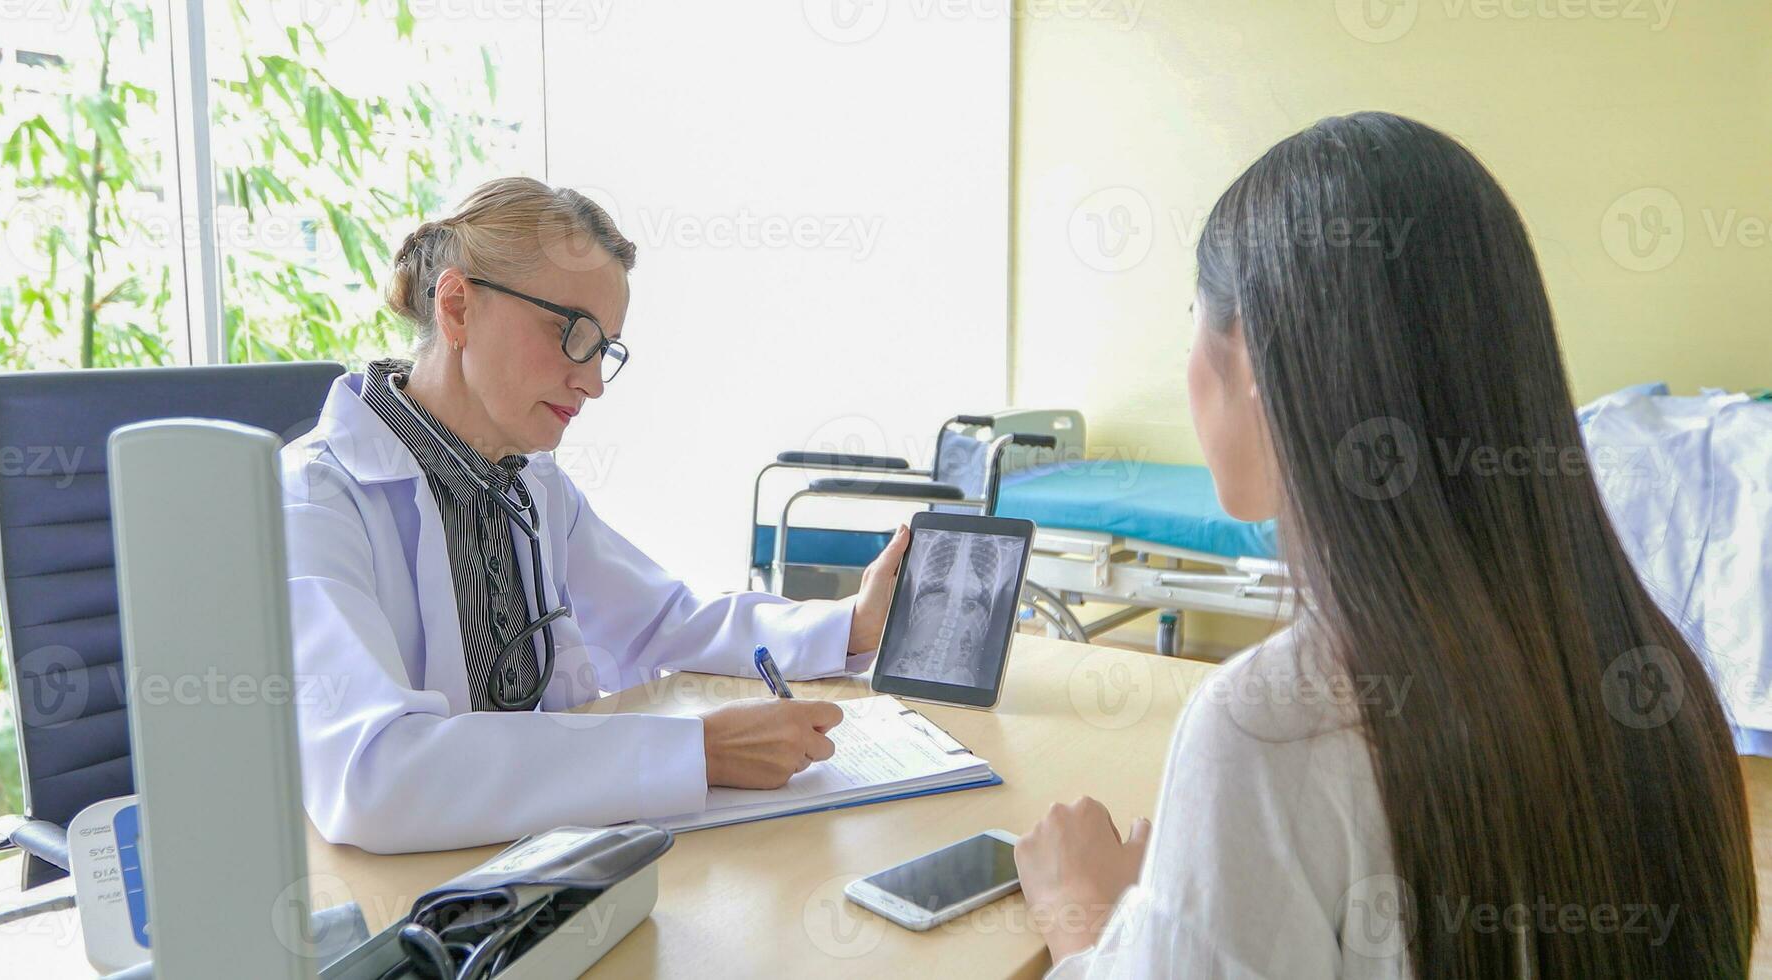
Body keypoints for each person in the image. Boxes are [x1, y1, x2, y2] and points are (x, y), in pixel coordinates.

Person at [1014, 113, 1755, 977]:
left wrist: (1084, 924)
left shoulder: (1272, 732)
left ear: (1248, 357)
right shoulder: (1665, 681)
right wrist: (1197, 894)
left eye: (1192, 320)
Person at [279, 178, 911, 853]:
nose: (592, 382)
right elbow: (375, 777)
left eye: (604, 347)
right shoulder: (314, 500)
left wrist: (849, 625)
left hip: (537, 862)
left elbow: (663, 620)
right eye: (571, 333)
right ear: (458, 307)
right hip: (400, 898)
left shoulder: (529, 484)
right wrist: (694, 751)